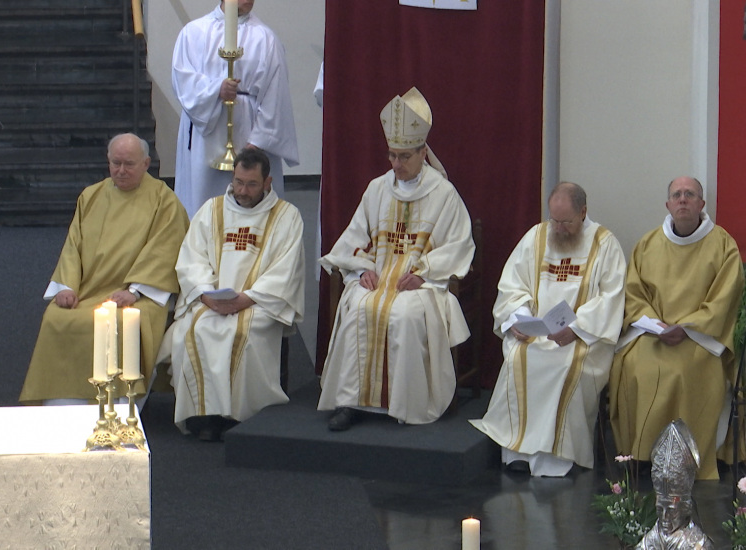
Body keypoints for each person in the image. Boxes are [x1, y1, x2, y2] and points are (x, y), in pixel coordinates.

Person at [317, 87, 475, 431]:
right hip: (378, 278)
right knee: (358, 308)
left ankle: (405, 405)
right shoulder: (377, 189)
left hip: (419, 285)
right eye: (391, 156)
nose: (396, 164)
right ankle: (351, 403)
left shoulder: (444, 194)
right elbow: (354, 239)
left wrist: (425, 273)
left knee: (403, 315)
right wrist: (360, 273)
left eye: (404, 156)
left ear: (422, 153)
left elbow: (460, 246)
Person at [470, 182, 626, 477]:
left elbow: (611, 297)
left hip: (581, 340)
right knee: (520, 358)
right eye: (554, 219)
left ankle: (557, 458)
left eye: (565, 222)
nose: (558, 228)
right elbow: (512, 285)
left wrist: (577, 329)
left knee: (565, 364)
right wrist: (519, 318)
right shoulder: (537, 237)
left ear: (583, 213)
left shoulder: (605, 244)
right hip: (536, 334)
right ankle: (516, 451)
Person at [20, 133, 190, 405]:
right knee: (57, 318)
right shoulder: (91, 196)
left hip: (138, 295)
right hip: (88, 291)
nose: (121, 171)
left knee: (123, 323)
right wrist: (67, 286)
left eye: (129, 164)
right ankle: (63, 402)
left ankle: (119, 406)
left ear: (146, 163)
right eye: (115, 163)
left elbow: (166, 251)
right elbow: (73, 246)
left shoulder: (164, 201)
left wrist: (135, 291)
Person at [158, 148, 304, 441]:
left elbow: (285, 270)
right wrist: (205, 295)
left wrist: (246, 299)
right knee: (194, 331)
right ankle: (203, 416)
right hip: (211, 302)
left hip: (259, 303)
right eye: (238, 182)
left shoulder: (287, 217)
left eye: (251, 184)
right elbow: (192, 259)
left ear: (267, 182)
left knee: (244, 335)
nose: (243, 191)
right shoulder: (211, 211)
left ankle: (239, 418)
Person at [610, 176, 744, 480]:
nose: (683, 199)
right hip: (654, 334)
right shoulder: (648, 244)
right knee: (635, 367)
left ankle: (691, 458)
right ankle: (642, 454)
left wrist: (687, 329)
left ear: (701, 204)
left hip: (700, 338)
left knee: (688, 371)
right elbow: (634, 294)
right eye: (677, 195)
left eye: (690, 194)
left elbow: (725, 298)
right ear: (668, 204)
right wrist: (656, 325)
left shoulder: (723, 245)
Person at [172, 0, 298, 217]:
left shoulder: (266, 38)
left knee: (250, 202)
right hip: (207, 134)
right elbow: (182, 81)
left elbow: (276, 95)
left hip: (249, 129)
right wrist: (215, 90)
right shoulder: (193, 33)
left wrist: (258, 141)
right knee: (204, 204)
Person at [636, 419, 713, 549]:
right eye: (660, 509)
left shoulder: (697, 545)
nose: (665, 517)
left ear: (685, 509)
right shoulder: (649, 541)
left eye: (672, 511)